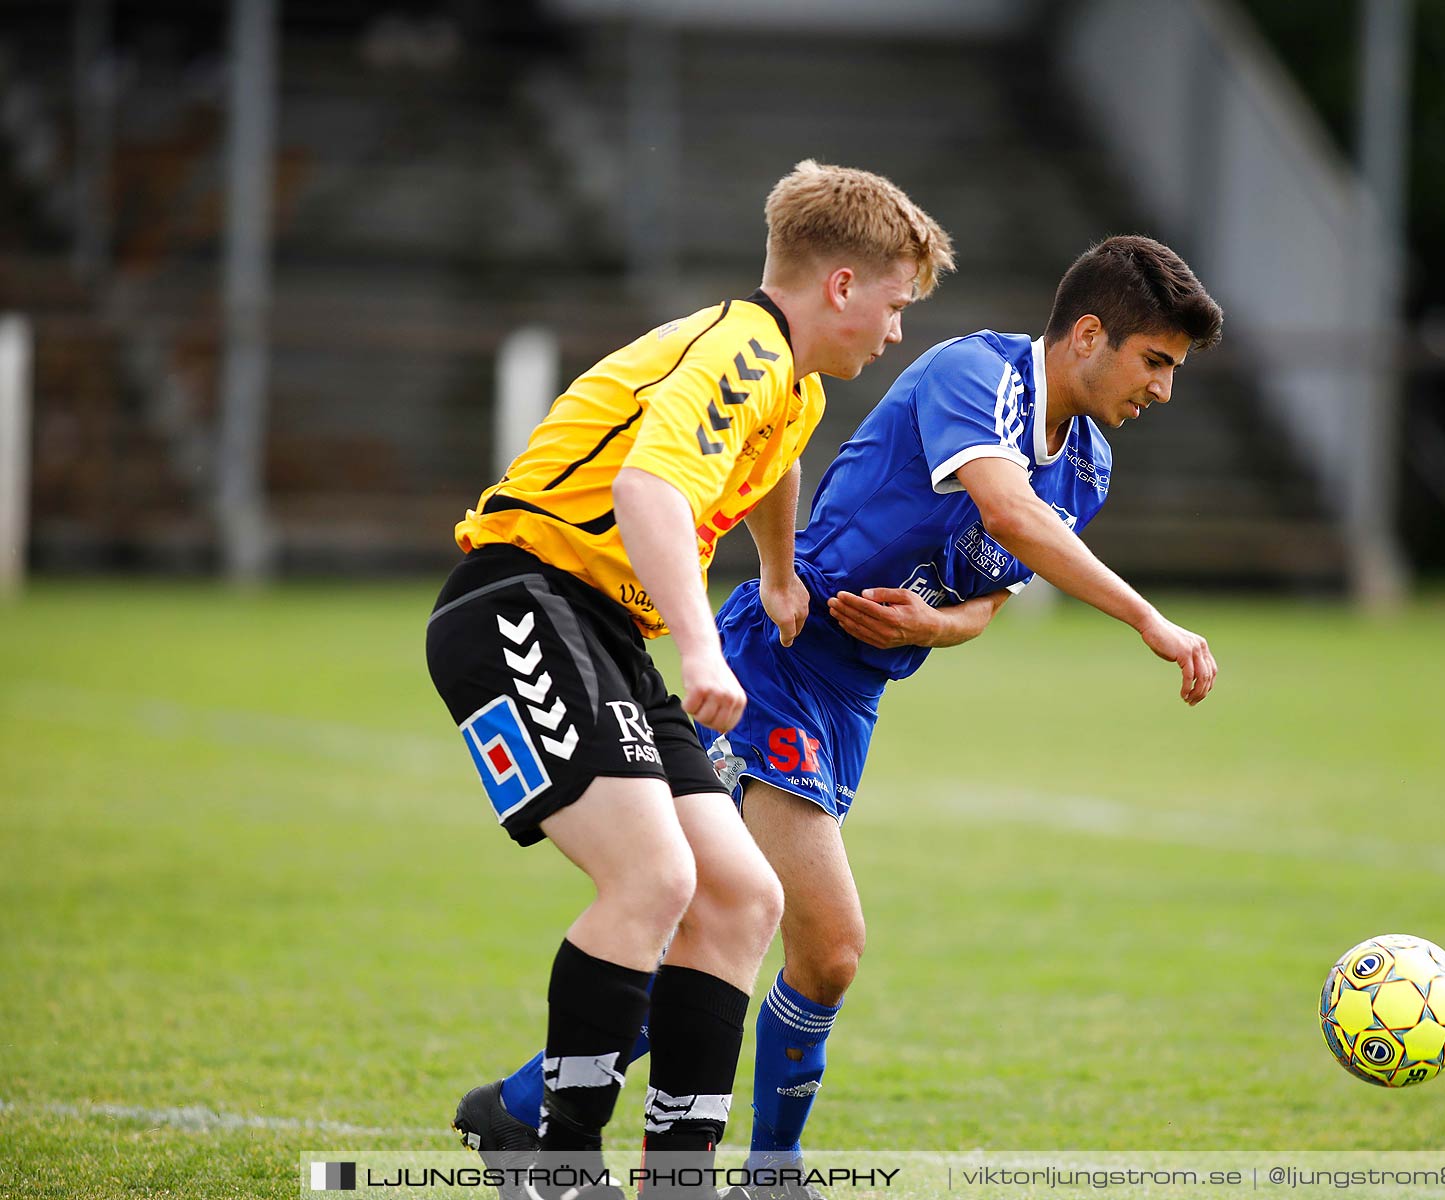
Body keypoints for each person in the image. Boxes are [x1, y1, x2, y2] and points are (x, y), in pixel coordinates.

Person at [465, 235, 1221, 1199]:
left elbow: (993, 599)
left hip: (854, 693)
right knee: (809, 935)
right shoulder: (978, 375)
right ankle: (757, 1172)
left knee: (800, 952)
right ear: (1086, 335)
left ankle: (527, 1107)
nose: (1162, 389)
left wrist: (936, 624)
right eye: (1155, 361)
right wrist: (1150, 620)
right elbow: (1005, 515)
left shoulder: (1088, 468)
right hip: (781, 662)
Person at [427, 159, 953, 1200]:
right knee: (656, 881)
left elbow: (774, 458)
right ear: (839, 286)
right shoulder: (744, 351)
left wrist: (776, 565)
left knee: (743, 898)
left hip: (596, 630)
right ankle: (556, 1167)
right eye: (893, 306)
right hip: (519, 604)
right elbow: (650, 486)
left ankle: (677, 1181)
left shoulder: (789, 383)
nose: (895, 334)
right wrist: (703, 649)